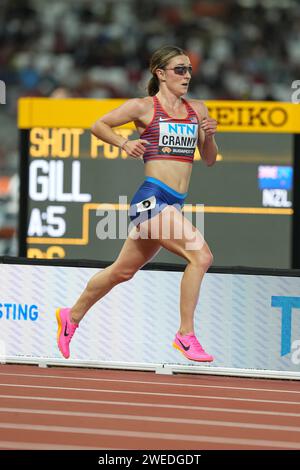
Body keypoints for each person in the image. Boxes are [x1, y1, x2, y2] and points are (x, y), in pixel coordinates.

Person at [56, 45, 218, 362]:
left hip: (174, 204)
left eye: (188, 69)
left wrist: (209, 136)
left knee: (121, 272)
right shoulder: (143, 107)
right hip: (151, 199)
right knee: (201, 256)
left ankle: (70, 316)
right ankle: (185, 335)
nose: (187, 75)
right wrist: (123, 142)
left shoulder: (198, 109)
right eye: (179, 70)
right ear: (160, 73)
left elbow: (209, 159)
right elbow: (98, 125)